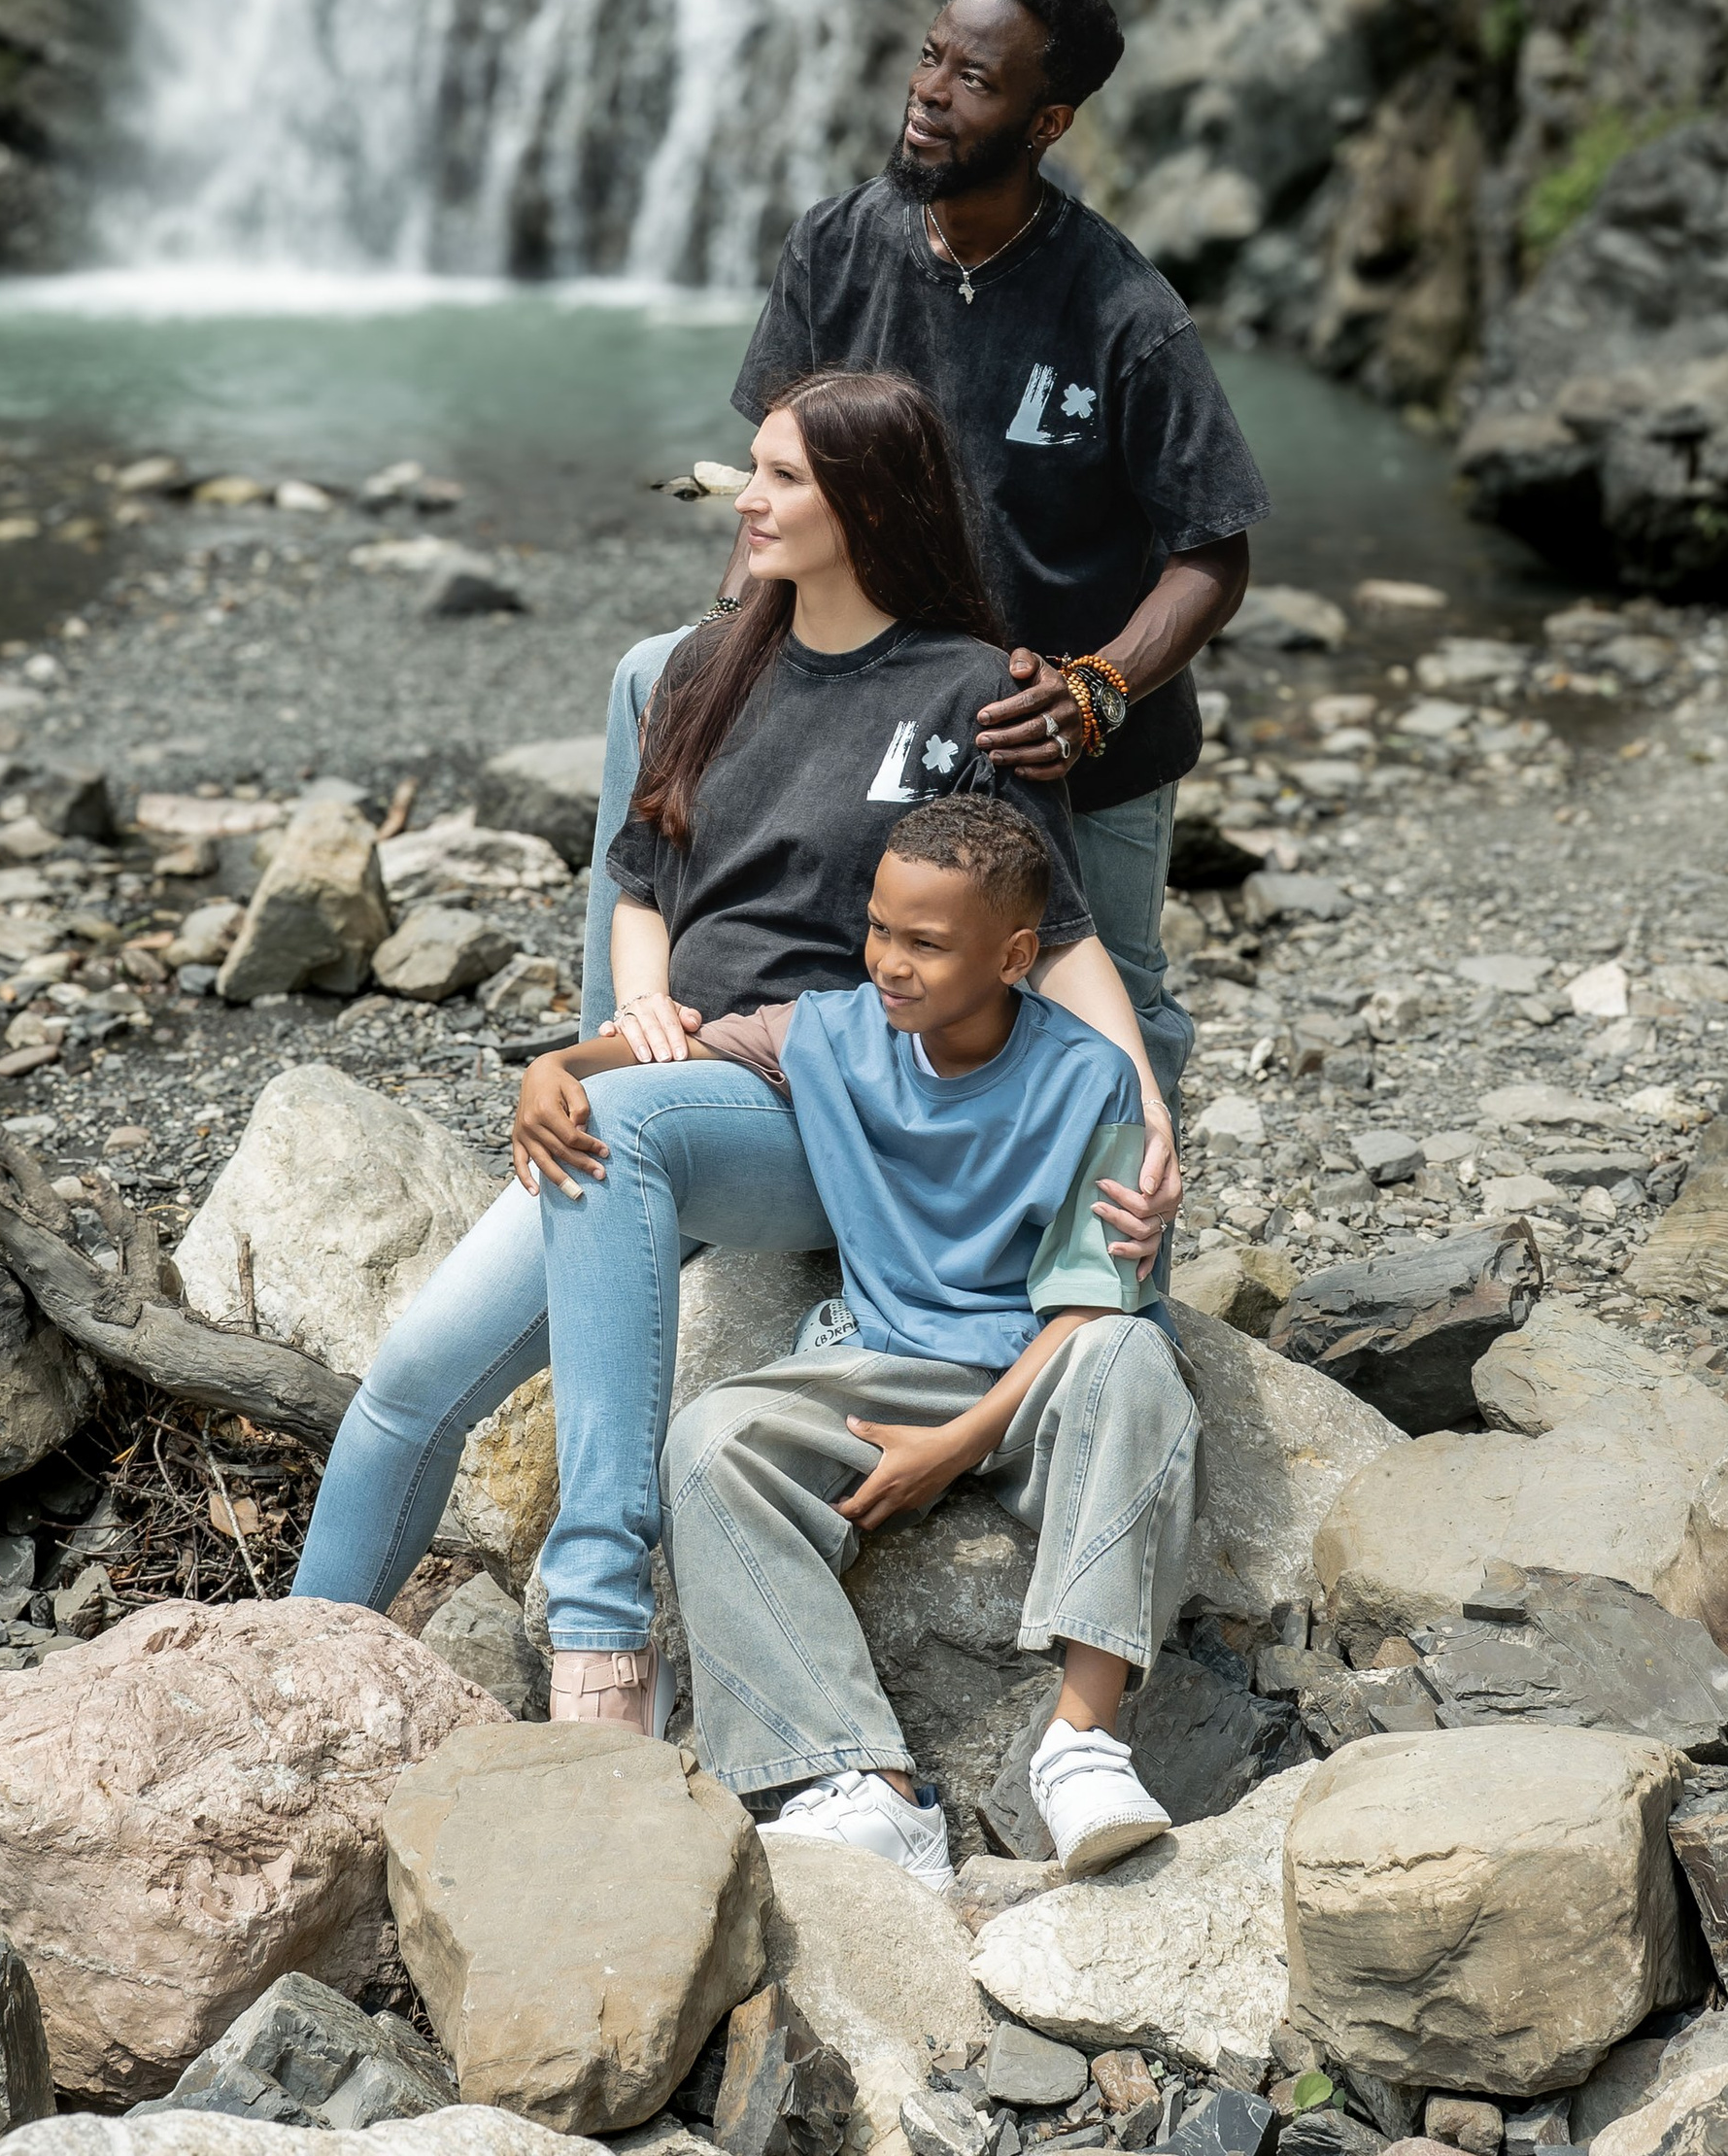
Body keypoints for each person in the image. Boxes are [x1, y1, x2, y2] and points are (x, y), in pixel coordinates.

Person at [291, 368, 1170, 1626]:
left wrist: (1148, 1113)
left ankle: (601, 1623)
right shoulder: (703, 664)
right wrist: (635, 1009)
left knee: (618, 1132)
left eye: (780, 478)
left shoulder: (973, 691)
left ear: (867, 503)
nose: (741, 498)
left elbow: (1062, 934)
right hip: (673, 1079)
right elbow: (642, 873)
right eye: (751, 468)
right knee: (405, 1388)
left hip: (829, 1100)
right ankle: (288, 1663)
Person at [583, 0, 1271, 1125]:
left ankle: (1118, 1273)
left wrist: (1099, 687)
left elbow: (1212, 547)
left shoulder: (1124, 314)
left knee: (1101, 1011)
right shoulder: (834, 250)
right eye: (930, 56)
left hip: (1058, 733)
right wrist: (733, 646)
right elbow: (773, 486)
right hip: (871, 700)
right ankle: (626, 1073)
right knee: (677, 712)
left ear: (1046, 118)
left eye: (976, 79)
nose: (931, 90)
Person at [526, 794, 1197, 1885]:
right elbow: (682, 1041)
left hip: (1046, 1365)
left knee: (1134, 1359)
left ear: (1015, 955)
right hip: (889, 1359)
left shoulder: (1093, 1076)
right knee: (710, 1437)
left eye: (926, 942)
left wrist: (959, 1443)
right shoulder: (827, 1029)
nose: (890, 960)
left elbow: (1090, 1299)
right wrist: (560, 1065)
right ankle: (866, 1788)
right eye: (880, 927)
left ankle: (1082, 1747)